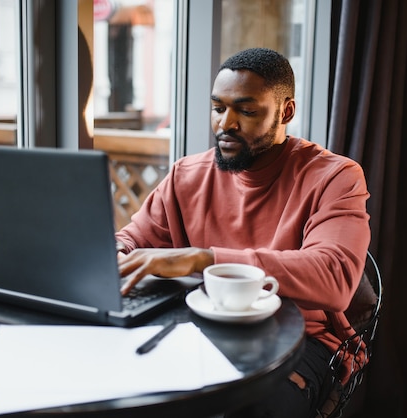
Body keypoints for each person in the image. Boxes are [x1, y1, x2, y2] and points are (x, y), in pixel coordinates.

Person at [115, 47, 371, 417]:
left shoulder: (335, 176)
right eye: (219, 108)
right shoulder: (186, 175)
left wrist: (203, 259)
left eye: (246, 111)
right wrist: (116, 254)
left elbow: (335, 276)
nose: (225, 124)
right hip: (200, 329)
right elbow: (130, 241)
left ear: (286, 112)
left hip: (304, 340)